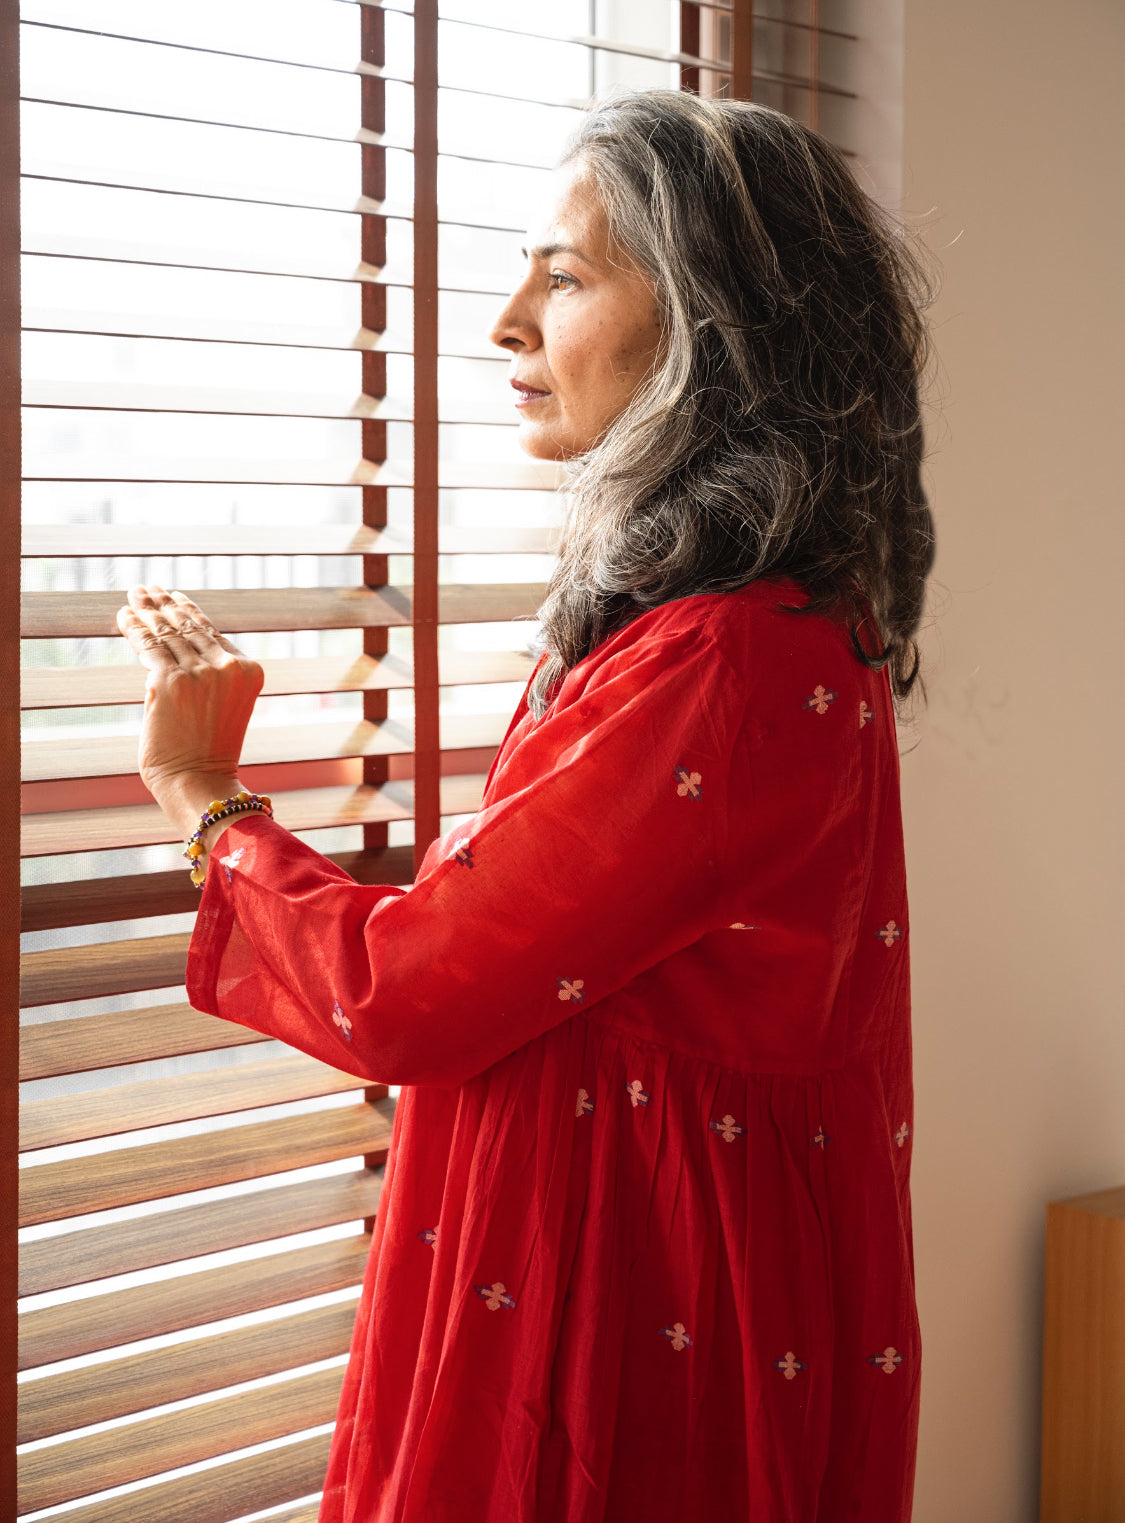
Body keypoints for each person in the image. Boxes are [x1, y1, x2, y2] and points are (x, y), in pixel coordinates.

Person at [118, 89, 934, 1523]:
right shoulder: (744, 627)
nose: (506, 322)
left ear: (711, 325)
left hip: (621, 1320)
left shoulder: (724, 659)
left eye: (562, 276)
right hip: (648, 1272)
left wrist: (206, 798)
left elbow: (408, 992)